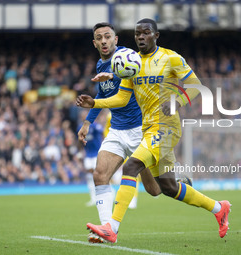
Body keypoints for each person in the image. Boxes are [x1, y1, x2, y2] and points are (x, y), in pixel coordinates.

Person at [76, 18, 231, 243]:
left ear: (155, 36)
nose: (140, 37)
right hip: (146, 128)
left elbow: (197, 85)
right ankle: (219, 208)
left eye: (145, 33)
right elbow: (121, 97)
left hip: (166, 127)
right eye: (137, 33)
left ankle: (112, 228)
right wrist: (95, 104)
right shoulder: (134, 63)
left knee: (131, 166)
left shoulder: (170, 57)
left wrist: (177, 101)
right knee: (164, 188)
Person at [77, 22, 162, 242]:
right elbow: (102, 94)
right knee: (100, 174)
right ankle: (107, 229)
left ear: (116, 40)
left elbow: (139, 72)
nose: (104, 41)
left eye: (108, 36)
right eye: (99, 37)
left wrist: (113, 77)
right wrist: (87, 122)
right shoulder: (100, 64)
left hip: (139, 130)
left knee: (154, 189)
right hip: (116, 129)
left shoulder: (127, 55)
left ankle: (178, 183)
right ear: (94, 43)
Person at [78, 110, 104, 206]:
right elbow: (79, 140)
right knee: (90, 177)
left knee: (99, 175)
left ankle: (107, 193)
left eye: (85, 115)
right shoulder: (80, 127)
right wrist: (80, 152)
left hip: (97, 154)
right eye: (82, 116)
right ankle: (93, 198)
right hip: (88, 155)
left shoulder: (95, 126)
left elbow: (102, 134)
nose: (83, 117)